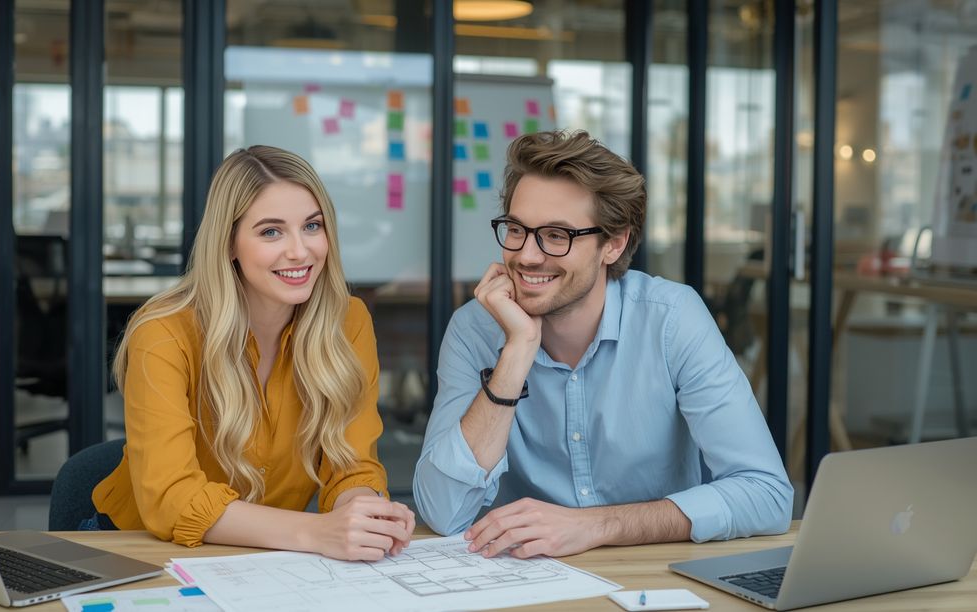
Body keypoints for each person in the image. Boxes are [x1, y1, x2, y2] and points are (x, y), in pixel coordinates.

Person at [413, 130, 792, 559]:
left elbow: (766, 494)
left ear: (614, 244)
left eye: (557, 235)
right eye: (517, 229)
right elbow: (443, 512)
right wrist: (516, 352)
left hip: (653, 576)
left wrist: (595, 526)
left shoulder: (671, 319)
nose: (527, 256)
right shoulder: (475, 329)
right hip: (528, 583)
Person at [92, 146, 415, 560]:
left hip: (266, 556)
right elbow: (171, 497)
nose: (300, 251)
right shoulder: (163, 332)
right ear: (229, 244)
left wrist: (362, 513)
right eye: (271, 232)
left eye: (312, 226)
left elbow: (352, 464)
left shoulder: (347, 321)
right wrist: (317, 532)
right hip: (140, 550)